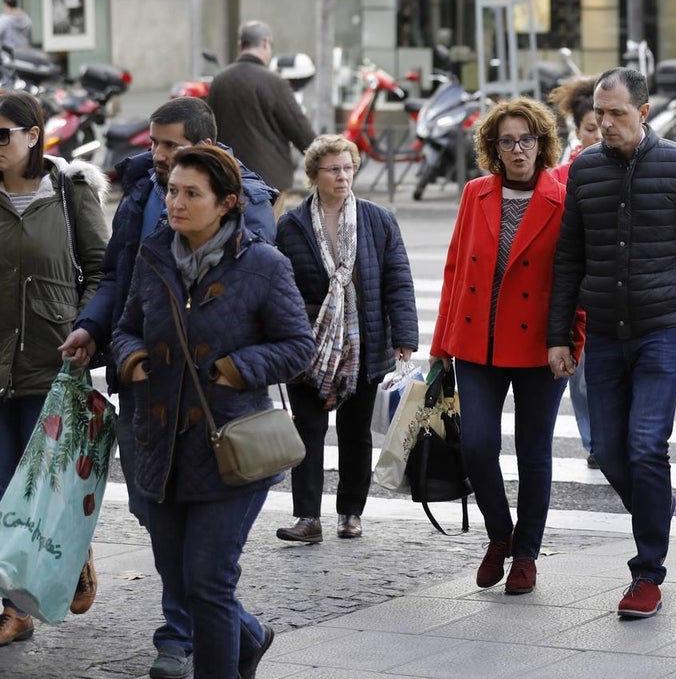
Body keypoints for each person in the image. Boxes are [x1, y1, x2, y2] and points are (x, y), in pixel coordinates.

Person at [58, 96, 277, 679]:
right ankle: (243, 632)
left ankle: (183, 636)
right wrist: (107, 340)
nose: (158, 159)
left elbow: (274, 321)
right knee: (158, 526)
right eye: (153, 145)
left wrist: (234, 368)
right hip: (151, 402)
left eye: (171, 147)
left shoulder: (249, 210)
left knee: (206, 570)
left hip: (217, 416)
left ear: (206, 146)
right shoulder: (142, 202)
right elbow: (121, 286)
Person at [111, 146, 314, 679]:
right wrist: (129, 357)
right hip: (162, 447)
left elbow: (299, 346)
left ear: (226, 203)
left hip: (231, 449)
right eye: (172, 191)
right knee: (183, 582)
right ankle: (251, 638)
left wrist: (239, 366)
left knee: (208, 583)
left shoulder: (263, 265)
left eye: (190, 194)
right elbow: (127, 325)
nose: (175, 202)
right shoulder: (155, 255)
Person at [547, 67, 676, 618]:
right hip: (605, 332)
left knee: (644, 444)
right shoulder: (584, 170)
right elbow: (568, 260)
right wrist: (558, 335)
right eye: (599, 114)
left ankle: (647, 572)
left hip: (664, 330)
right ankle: (653, 518)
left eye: (617, 114)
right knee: (607, 449)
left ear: (644, 112)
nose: (604, 124)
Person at [430, 97, 579, 595]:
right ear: (493, 147)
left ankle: (526, 554)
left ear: (542, 143)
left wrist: (571, 342)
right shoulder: (476, 193)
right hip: (477, 342)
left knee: (534, 452)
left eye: (527, 139)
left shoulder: (563, 195)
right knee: (477, 446)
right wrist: (439, 344)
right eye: (508, 141)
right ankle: (500, 535)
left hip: (541, 347)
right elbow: (455, 270)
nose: (518, 150)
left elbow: (575, 280)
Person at [0, 91, 108, 646]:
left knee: (43, 488)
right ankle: (13, 608)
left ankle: (71, 557)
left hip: (53, 362)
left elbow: (101, 269)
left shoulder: (70, 193)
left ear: (33, 136)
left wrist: (83, 326)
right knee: (2, 491)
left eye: (2, 136)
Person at [275, 135, 417, 544]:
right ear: (314, 175)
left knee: (355, 434)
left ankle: (350, 512)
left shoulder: (378, 219)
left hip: (364, 342)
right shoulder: (292, 225)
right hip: (310, 346)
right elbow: (282, 287)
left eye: (348, 168)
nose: (342, 176)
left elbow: (398, 280)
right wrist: (294, 330)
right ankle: (307, 517)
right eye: (333, 169)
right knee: (308, 430)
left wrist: (404, 336)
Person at [549, 76, 600, 466]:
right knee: (582, 379)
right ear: (577, 131)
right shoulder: (559, 178)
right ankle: (594, 441)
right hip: (578, 295)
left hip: (617, 293)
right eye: (591, 128)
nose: (600, 134)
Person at [207, 21, 316, 195]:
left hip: (227, 176)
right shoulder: (275, 82)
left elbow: (210, 129)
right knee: (267, 223)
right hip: (269, 181)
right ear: (266, 43)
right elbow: (300, 131)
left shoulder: (219, 81)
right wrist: (323, 157)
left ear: (240, 45)